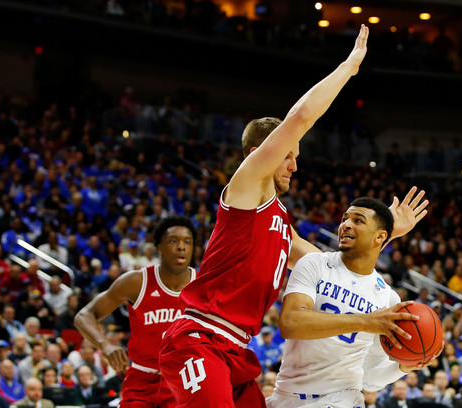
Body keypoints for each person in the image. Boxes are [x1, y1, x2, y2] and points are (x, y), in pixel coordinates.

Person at [158, 25, 372, 407]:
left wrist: (384, 234)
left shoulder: (279, 222)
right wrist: (348, 69)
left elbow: (330, 265)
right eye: (289, 155)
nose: (294, 165)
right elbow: (301, 117)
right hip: (198, 339)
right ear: (262, 152)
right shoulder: (247, 187)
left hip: (235, 350)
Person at [266, 197, 438, 408]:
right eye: (345, 219)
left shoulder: (387, 299)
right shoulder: (315, 263)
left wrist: (404, 366)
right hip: (285, 396)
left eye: (358, 220)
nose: (346, 224)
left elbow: (369, 379)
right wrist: (364, 321)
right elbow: (290, 323)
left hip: (341, 400)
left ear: (380, 237)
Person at [74, 216, 197, 408]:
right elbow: (83, 316)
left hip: (183, 379)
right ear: (160, 248)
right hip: (141, 378)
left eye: (187, 242)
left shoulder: (202, 285)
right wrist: (105, 345)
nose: (181, 247)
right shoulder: (137, 281)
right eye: (173, 241)